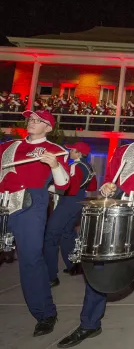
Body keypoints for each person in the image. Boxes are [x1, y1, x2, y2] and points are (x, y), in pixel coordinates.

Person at [57, 110, 134, 347]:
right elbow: (110, 182)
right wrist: (107, 188)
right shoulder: (124, 150)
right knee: (102, 263)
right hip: (117, 208)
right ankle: (89, 324)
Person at [0, 109, 70, 336]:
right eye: (31, 118)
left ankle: (45, 313)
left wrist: (55, 166)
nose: (32, 121)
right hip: (2, 201)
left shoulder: (55, 150)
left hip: (30, 205)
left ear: (48, 127)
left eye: (39, 120)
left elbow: (63, 185)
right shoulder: (8, 147)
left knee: (30, 261)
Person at [44, 141, 97, 286]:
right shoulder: (89, 166)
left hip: (67, 203)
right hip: (79, 203)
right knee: (67, 233)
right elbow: (93, 186)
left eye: (72, 150)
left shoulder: (75, 166)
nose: (69, 152)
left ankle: (50, 276)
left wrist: (49, 188)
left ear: (79, 153)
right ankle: (74, 266)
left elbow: (70, 189)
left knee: (50, 235)